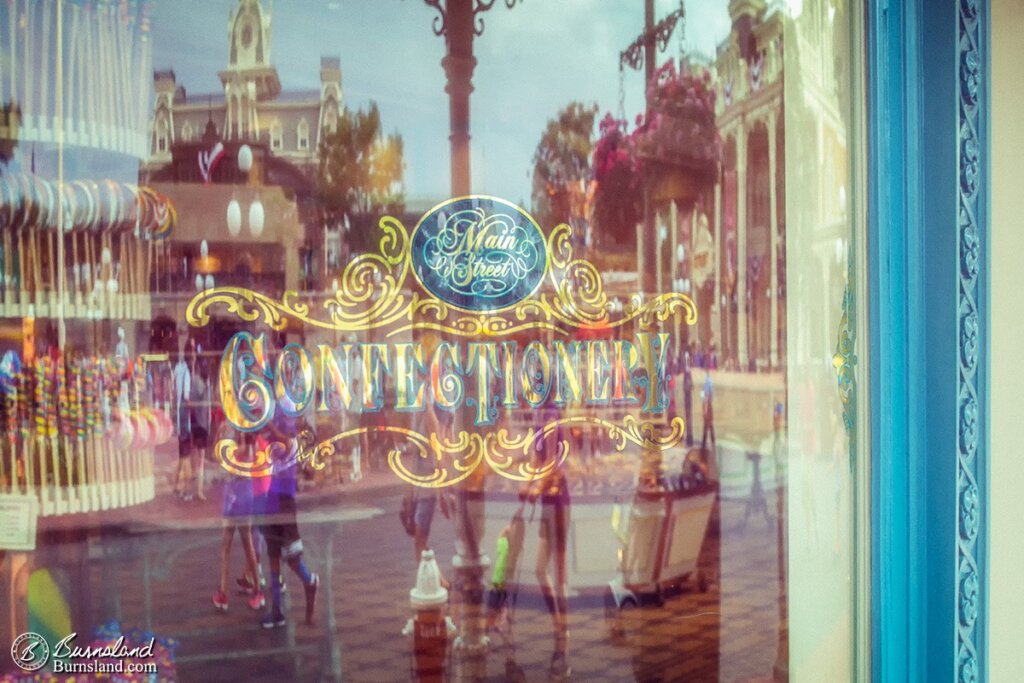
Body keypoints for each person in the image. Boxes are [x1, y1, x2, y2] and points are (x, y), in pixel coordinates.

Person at [256, 409, 319, 628]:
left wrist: (268, 424)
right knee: (272, 554)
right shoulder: (274, 446)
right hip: (272, 501)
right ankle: (276, 610)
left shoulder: (291, 443)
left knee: (291, 556)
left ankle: (309, 580)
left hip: (285, 504)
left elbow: (283, 440)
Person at [212, 435, 265, 612]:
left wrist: (222, 442)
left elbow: (225, 457)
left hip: (239, 491)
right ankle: (225, 592)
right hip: (238, 491)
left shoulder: (244, 445)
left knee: (239, 542)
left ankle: (253, 590)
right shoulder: (247, 442)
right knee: (233, 543)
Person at [172, 345, 192, 499]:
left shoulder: (177, 369)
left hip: (179, 413)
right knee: (186, 455)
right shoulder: (186, 372)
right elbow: (187, 397)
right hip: (185, 415)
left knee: (181, 454)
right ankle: (186, 490)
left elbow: (174, 392)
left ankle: (175, 486)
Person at [701, 371, 716, 450]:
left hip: (707, 405)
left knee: (706, 425)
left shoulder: (706, 383)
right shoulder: (710, 382)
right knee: (710, 425)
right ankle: (713, 441)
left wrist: (704, 410)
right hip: (709, 405)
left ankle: (704, 443)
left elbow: (705, 396)